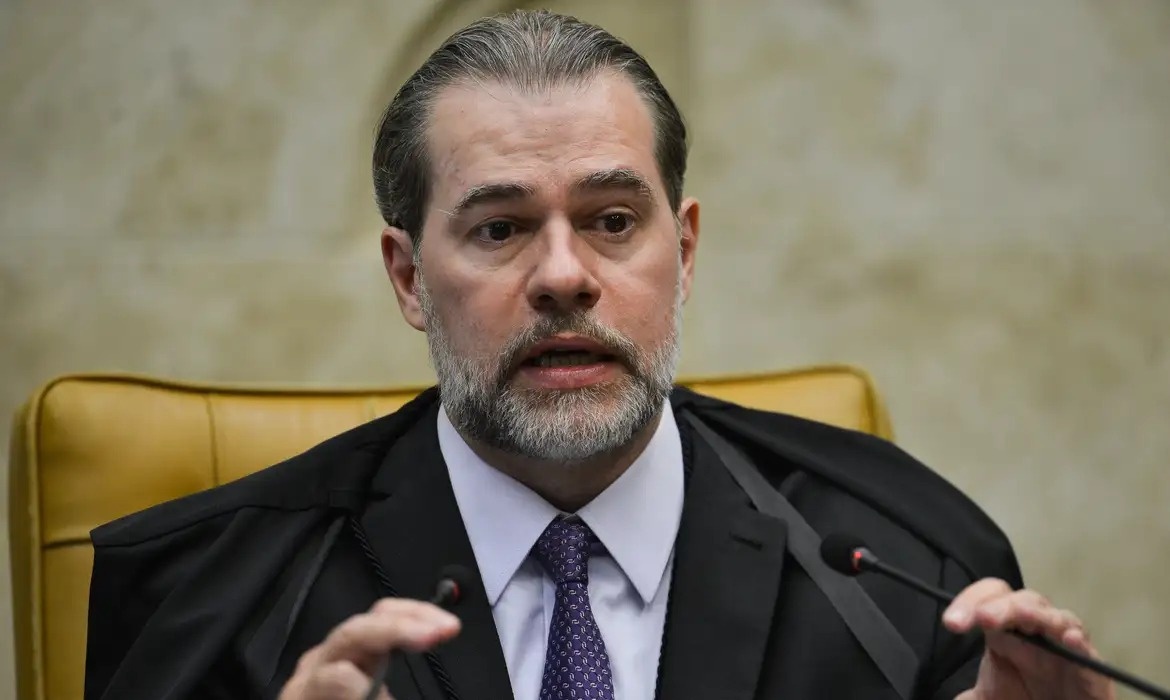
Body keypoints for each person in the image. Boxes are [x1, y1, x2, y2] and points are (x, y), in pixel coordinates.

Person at [83, 9, 1115, 700]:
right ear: (407, 277)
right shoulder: (208, 602)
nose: (564, 276)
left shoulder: (911, 563)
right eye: (499, 229)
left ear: (686, 252)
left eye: (613, 220)